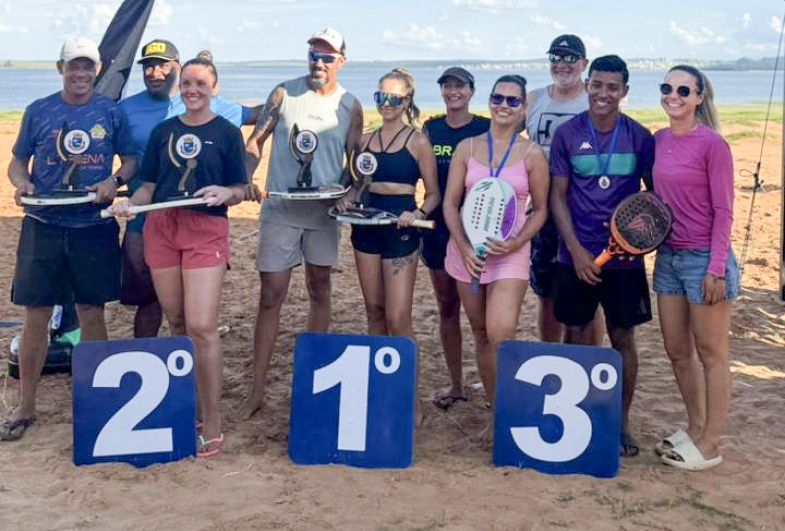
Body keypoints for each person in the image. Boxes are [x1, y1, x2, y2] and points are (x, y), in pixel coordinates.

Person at [108, 57, 247, 457]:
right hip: (161, 229)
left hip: (206, 230)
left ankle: (213, 419)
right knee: (179, 321)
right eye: (186, 82)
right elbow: (149, 185)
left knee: (202, 325)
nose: (192, 89)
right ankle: (192, 407)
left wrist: (228, 193)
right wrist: (130, 206)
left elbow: (240, 187)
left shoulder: (226, 133)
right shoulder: (163, 131)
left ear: (214, 88)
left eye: (201, 83)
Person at [1, 37, 136, 441]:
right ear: (60, 68)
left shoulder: (111, 112)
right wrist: (21, 181)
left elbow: (131, 160)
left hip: (92, 226)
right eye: (73, 66)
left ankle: (98, 400)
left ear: (96, 71)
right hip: (42, 223)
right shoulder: (39, 110)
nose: (80, 74)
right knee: (36, 314)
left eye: (87, 67)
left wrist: (114, 181)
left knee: (92, 310)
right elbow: (16, 160)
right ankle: (26, 406)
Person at [243, 28, 363, 417]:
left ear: (341, 61)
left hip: (322, 214)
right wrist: (249, 178)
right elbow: (255, 140)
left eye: (328, 57)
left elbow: (356, 164)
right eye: (314, 54)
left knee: (320, 289)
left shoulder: (350, 105)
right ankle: (257, 389)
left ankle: (314, 380)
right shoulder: (284, 92)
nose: (319, 62)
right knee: (271, 296)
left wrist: (347, 193)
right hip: (280, 211)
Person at [120, 39, 262, 339]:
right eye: (148, 65)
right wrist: (117, 187)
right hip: (145, 213)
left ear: (177, 67)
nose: (154, 72)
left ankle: (192, 366)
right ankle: (151, 361)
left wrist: (285, 100)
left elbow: (258, 116)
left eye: (162, 64)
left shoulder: (211, 105)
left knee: (195, 311)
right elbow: (124, 159)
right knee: (147, 298)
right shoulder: (126, 109)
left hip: (198, 219)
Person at [549, 55, 655, 457]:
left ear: (624, 91)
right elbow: (558, 196)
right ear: (587, 85)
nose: (603, 94)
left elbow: (652, 199)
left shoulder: (641, 137)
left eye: (612, 87)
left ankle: (621, 422)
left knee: (622, 337)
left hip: (625, 259)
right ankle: (573, 415)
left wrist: (636, 240)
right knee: (574, 333)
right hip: (574, 255)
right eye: (597, 85)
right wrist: (575, 251)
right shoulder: (567, 134)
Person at [443, 75, 549, 410]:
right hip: (467, 253)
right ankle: (496, 408)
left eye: (512, 100)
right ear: (489, 101)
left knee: (502, 333)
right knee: (481, 334)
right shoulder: (468, 147)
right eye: (498, 98)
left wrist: (518, 241)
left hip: (509, 254)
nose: (503, 105)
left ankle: (510, 406)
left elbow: (542, 209)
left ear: (523, 108)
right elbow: (450, 204)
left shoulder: (531, 154)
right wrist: (463, 247)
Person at [652, 66, 738, 471]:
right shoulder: (658, 140)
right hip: (667, 258)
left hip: (705, 259)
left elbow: (724, 211)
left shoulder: (713, 145)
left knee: (711, 353)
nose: (674, 95)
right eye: (667, 88)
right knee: (676, 350)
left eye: (683, 89)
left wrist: (717, 267)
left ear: (700, 97)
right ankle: (695, 426)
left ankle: (711, 442)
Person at [526, 34, 604, 345]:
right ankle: (549, 355)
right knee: (546, 293)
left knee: (587, 294)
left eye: (571, 58)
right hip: (543, 212)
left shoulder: (594, 101)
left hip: (583, 214)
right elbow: (505, 139)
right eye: (556, 57)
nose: (563, 64)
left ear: (584, 64)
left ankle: (589, 358)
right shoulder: (534, 99)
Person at [420, 67, 490, 410]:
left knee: (485, 317)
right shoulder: (432, 129)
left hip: (478, 230)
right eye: (447, 86)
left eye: (459, 85)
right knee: (447, 307)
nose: (453, 91)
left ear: (471, 91)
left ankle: (490, 382)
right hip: (438, 228)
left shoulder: (485, 128)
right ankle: (457, 384)